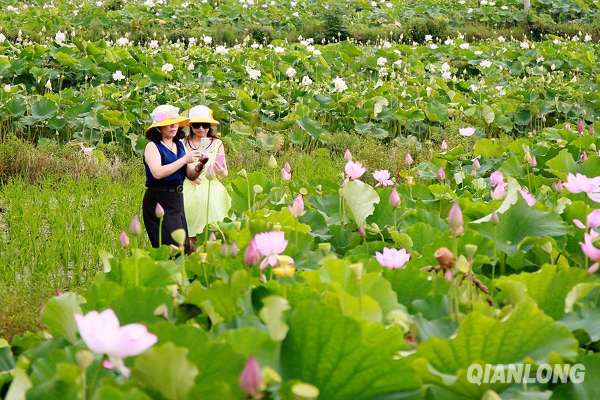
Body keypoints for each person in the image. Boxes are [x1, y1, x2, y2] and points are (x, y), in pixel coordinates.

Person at [142, 104, 208, 254]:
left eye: (175, 123)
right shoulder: (152, 146)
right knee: (169, 248)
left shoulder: (179, 145)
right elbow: (157, 173)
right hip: (158, 199)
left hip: (177, 198)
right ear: (159, 128)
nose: (173, 127)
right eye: (169, 124)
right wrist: (184, 159)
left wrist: (200, 165)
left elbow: (190, 174)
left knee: (183, 247)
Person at [182, 105, 232, 248]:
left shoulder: (217, 143)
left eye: (205, 125)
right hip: (188, 187)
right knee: (189, 231)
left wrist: (219, 169)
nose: (202, 129)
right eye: (197, 125)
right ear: (191, 126)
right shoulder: (183, 143)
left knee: (213, 230)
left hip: (211, 187)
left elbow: (225, 173)